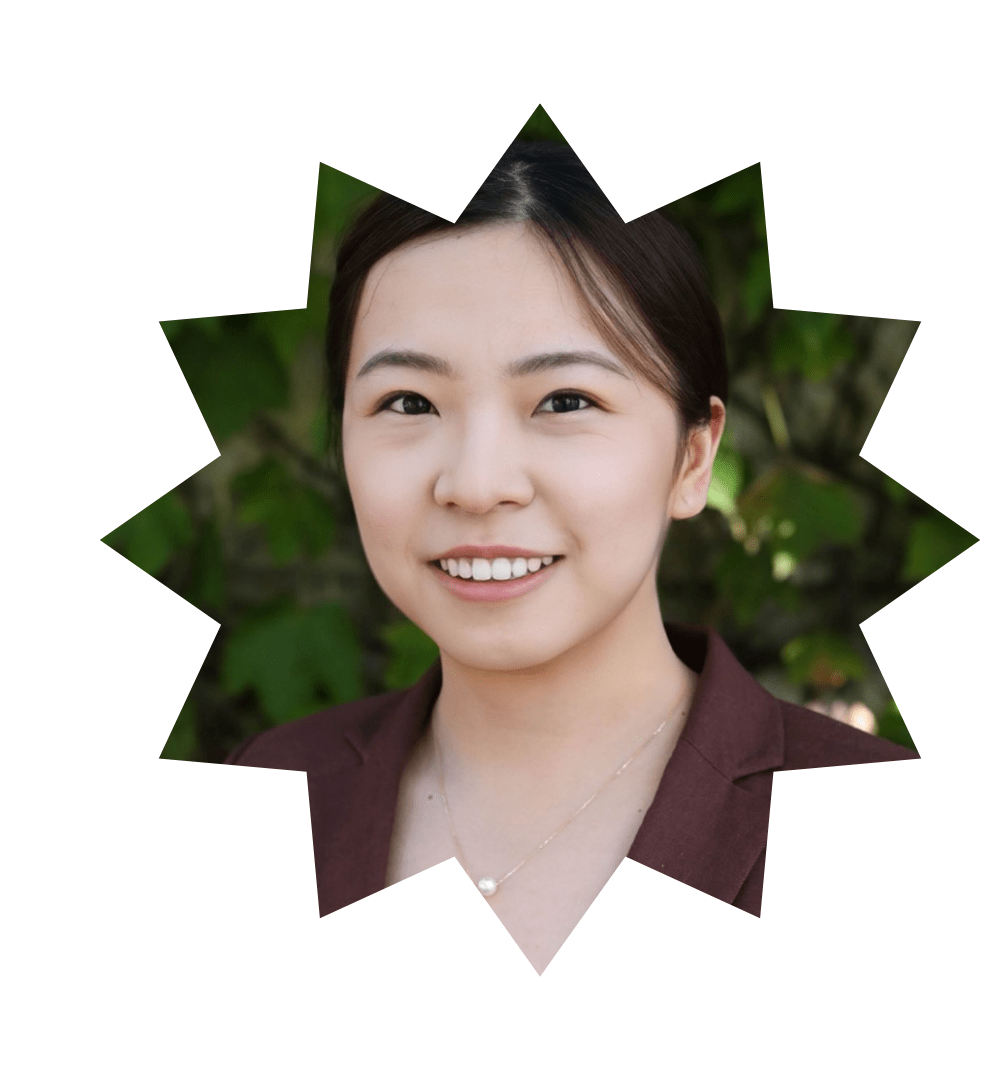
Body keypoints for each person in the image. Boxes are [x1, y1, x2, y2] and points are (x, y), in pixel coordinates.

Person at [226, 141, 917, 973]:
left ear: (694, 457)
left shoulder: (884, 824)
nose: (476, 484)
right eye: (408, 402)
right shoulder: (272, 796)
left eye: (565, 401)